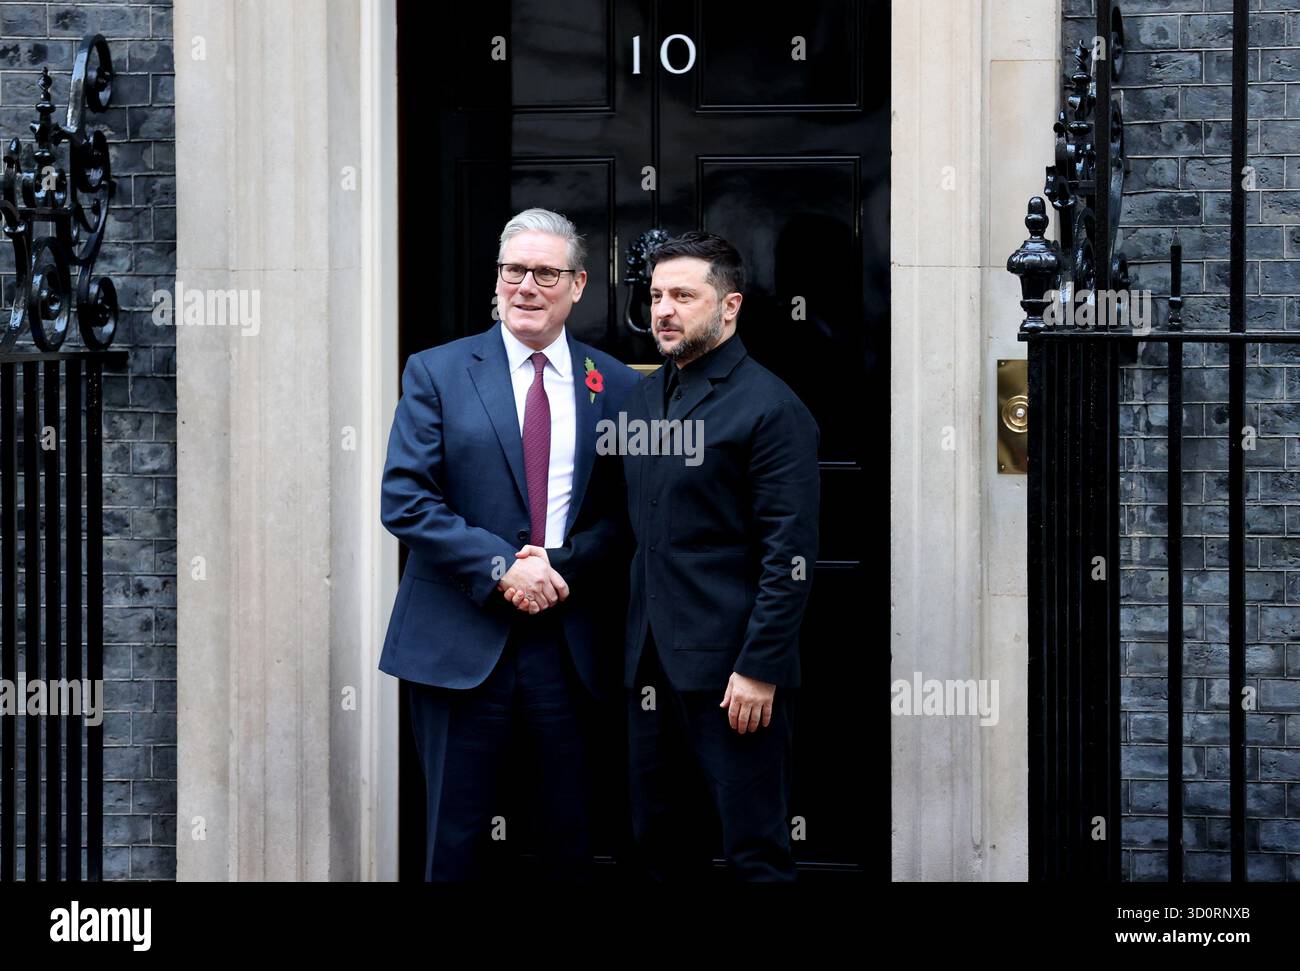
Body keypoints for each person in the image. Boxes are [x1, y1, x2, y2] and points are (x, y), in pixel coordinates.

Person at [378, 207, 639, 880]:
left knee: (569, 840)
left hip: (571, 644)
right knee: (453, 844)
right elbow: (406, 501)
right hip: (460, 641)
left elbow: (630, 514)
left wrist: (560, 567)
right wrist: (502, 569)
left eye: (545, 272)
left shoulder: (618, 385)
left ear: (578, 284)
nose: (525, 285)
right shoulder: (436, 372)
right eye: (512, 270)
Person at [621, 231, 820, 881]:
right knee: (660, 846)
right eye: (655, 296)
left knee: (755, 854)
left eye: (683, 294)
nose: (663, 310)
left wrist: (760, 666)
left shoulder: (770, 407)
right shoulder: (645, 399)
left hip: (735, 677)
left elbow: (788, 553)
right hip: (649, 666)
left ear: (729, 306)